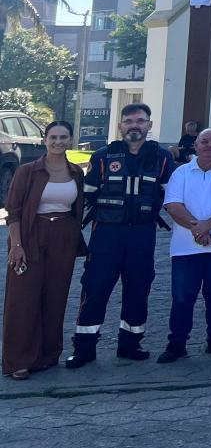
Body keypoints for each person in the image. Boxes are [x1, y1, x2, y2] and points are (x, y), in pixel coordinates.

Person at [67, 102, 175, 368]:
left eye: (140, 121)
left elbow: (170, 194)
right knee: (95, 287)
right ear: (120, 125)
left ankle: (130, 344)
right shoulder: (103, 156)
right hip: (106, 233)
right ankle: (84, 348)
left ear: (149, 125)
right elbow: (87, 194)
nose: (134, 126)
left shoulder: (161, 157)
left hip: (142, 233)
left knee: (139, 288)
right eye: (128, 121)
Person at [3, 120, 86, 379]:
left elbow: (77, 208)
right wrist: (16, 245)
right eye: (53, 137)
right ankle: (18, 360)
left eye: (63, 137)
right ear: (45, 139)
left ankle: (47, 355)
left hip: (63, 237)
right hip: (30, 235)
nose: (58, 142)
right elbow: (13, 212)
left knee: (55, 296)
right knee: (23, 299)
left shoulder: (76, 173)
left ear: (70, 140)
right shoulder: (28, 171)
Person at [158, 128, 211, 363]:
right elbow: (173, 206)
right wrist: (198, 228)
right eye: (204, 141)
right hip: (185, 248)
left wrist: (208, 225)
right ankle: (177, 343)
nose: (209, 145)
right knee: (182, 297)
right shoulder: (181, 173)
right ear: (195, 145)